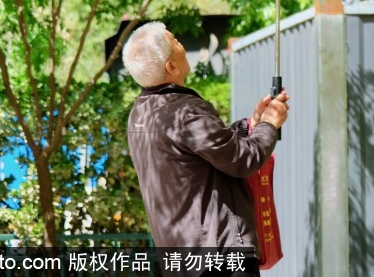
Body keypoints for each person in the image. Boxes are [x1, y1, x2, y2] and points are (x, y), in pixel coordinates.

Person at [123, 21, 289, 273]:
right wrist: (269, 125)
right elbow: (243, 160)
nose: (181, 44)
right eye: (175, 42)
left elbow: (202, 153)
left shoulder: (140, 114)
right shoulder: (185, 111)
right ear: (171, 66)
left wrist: (251, 125)